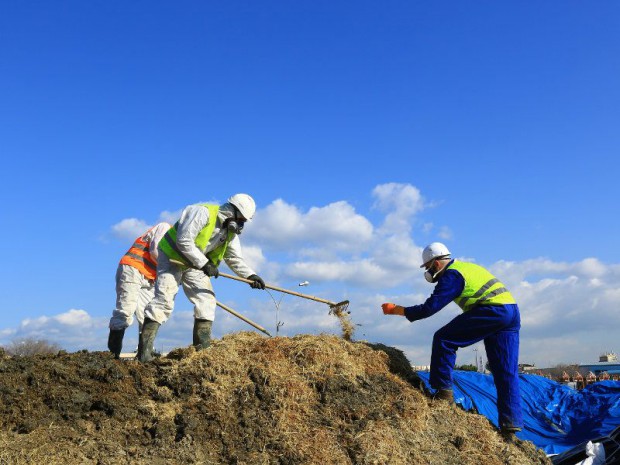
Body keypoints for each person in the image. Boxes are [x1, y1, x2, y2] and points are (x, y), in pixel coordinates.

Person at [381, 242, 523, 440]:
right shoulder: (467, 267)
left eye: (428, 267)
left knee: (444, 339)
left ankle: (443, 394)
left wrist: (398, 310)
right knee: (505, 371)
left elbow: (429, 308)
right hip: (511, 312)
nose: (428, 272)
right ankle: (510, 429)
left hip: (493, 311)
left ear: (436, 264)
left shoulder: (452, 275)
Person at [137, 194, 266, 362]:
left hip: (196, 264)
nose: (241, 224)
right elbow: (184, 240)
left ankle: (201, 354)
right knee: (164, 301)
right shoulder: (202, 213)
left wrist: (251, 275)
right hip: (172, 257)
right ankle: (144, 354)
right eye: (241, 219)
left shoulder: (229, 233)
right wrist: (205, 264)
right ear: (232, 211)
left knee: (206, 300)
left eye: (244, 221)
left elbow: (234, 258)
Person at [107, 222, 172, 358]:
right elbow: (154, 250)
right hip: (133, 268)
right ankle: (113, 355)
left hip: (148, 278)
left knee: (147, 314)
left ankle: (145, 352)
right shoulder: (165, 227)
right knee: (126, 310)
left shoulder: (180, 244)